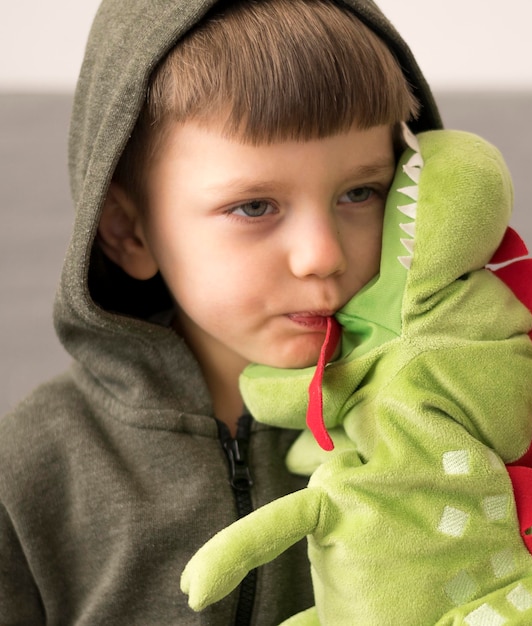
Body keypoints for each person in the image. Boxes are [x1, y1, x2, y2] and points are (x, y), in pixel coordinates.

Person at [0, 0, 441, 623]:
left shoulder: (422, 422)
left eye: (360, 192)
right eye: (255, 207)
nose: (322, 255)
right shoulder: (28, 471)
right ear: (129, 233)